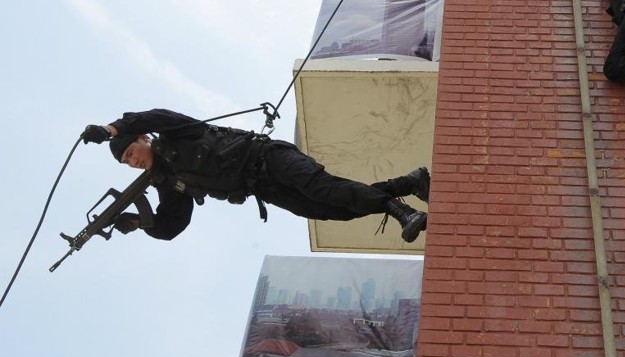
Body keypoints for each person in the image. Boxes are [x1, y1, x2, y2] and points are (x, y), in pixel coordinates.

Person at [81, 109, 430, 243]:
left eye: (130, 153)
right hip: (261, 187)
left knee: (324, 189)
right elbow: (172, 225)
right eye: (126, 163)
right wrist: (140, 222)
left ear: (143, 140)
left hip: (269, 157)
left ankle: (401, 211)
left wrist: (110, 130)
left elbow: (152, 115)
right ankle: (411, 183)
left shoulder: (176, 134)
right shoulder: (169, 184)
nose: (132, 163)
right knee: (330, 209)